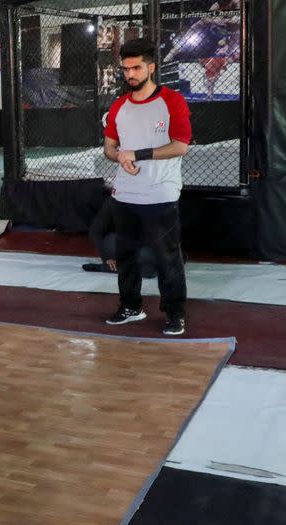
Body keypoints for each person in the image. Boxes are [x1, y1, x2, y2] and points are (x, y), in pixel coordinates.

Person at [103, 38, 191, 335]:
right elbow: (109, 147)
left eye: (137, 68)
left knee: (167, 257)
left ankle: (175, 313)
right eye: (126, 69)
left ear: (151, 67)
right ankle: (131, 306)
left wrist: (137, 154)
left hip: (160, 193)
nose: (131, 74)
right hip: (125, 194)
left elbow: (180, 146)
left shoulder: (172, 102)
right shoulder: (118, 106)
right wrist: (120, 157)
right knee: (125, 256)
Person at [82, 196, 156, 279]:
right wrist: (107, 258)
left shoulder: (156, 198)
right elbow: (95, 232)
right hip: (120, 243)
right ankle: (113, 266)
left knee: (151, 258)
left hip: (147, 246)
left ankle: (111, 268)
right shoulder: (115, 199)